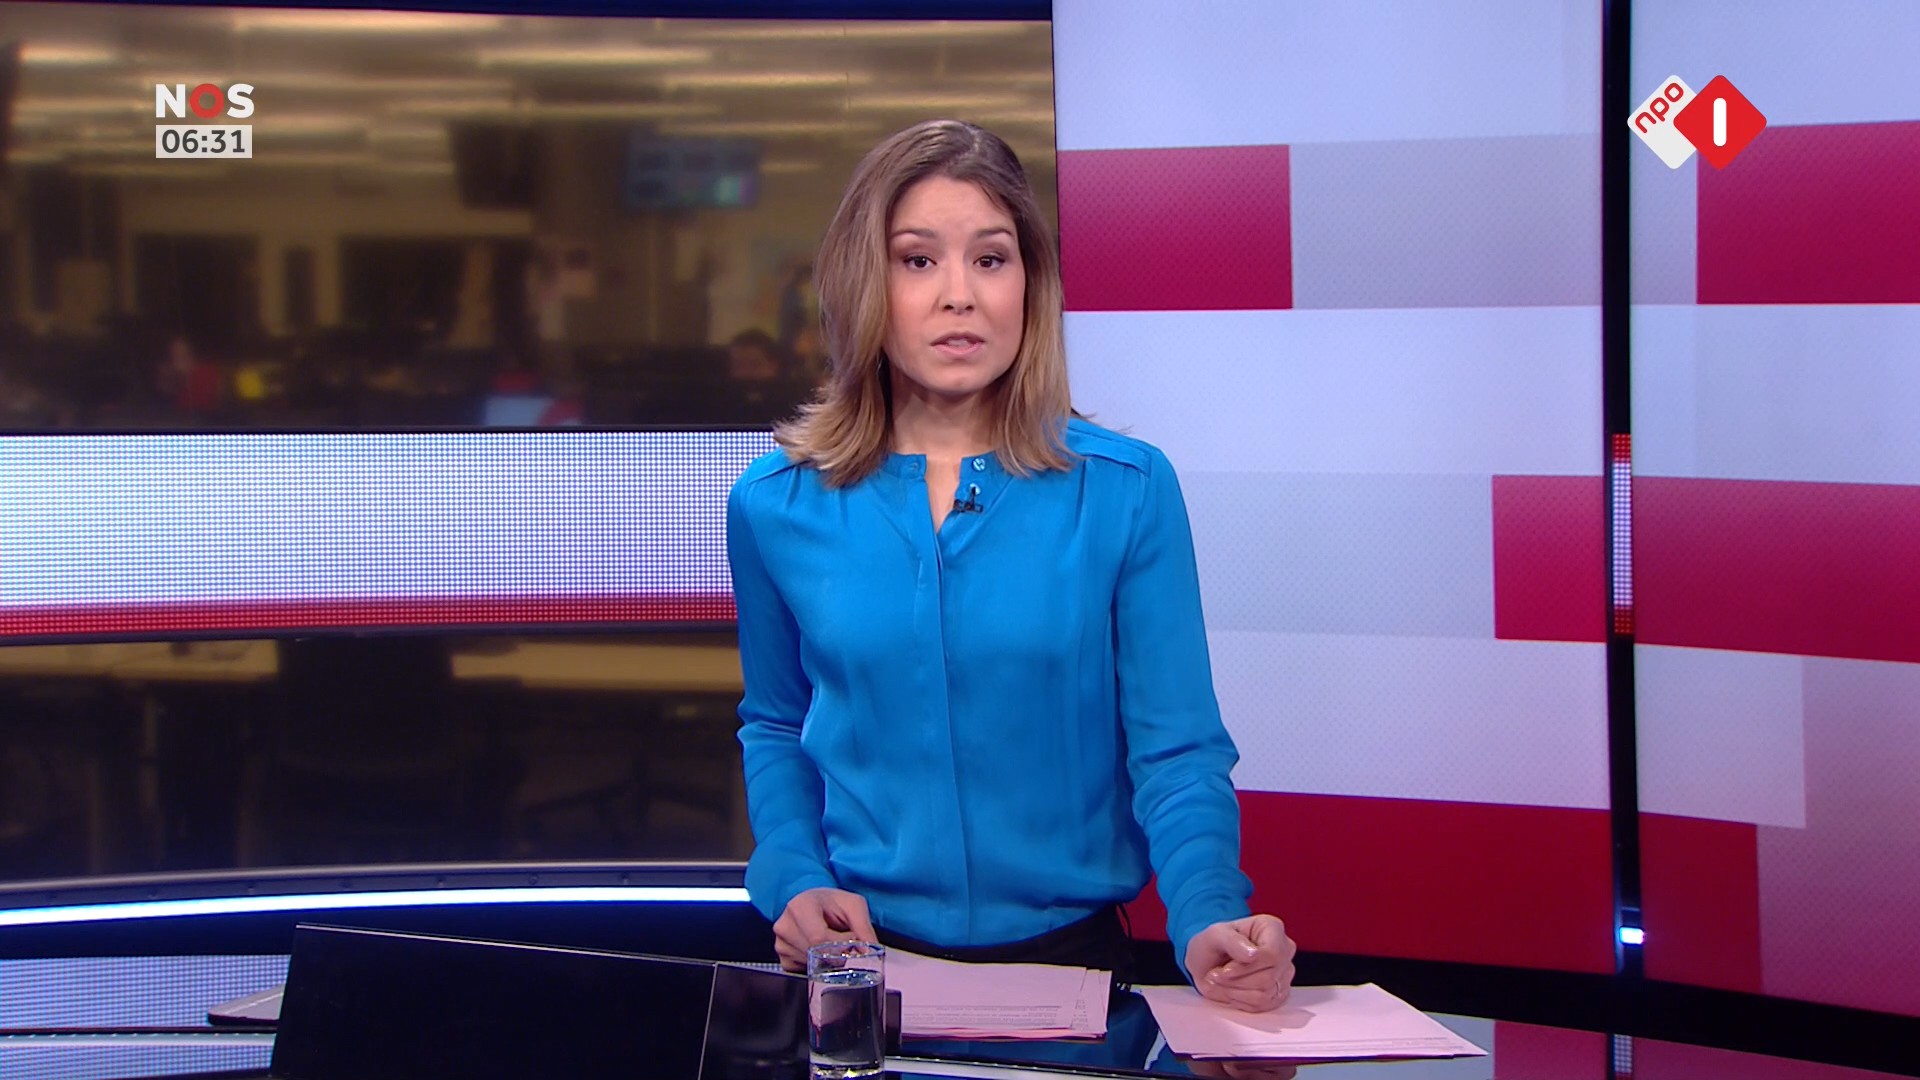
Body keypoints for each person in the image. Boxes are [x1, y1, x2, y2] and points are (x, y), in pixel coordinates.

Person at [725, 120, 1295, 1013]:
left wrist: (1207, 912)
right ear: (863, 282)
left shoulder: (1125, 490)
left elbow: (1177, 750)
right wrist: (794, 876)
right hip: (861, 971)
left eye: (990, 259)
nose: (960, 296)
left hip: (1077, 975)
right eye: (918, 261)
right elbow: (775, 723)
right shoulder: (775, 503)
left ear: (1030, 283)